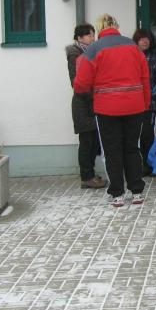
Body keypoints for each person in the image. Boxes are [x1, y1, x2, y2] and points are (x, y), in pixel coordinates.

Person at [74, 14, 150, 207]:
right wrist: (145, 103)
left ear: (100, 28)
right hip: (134, 105)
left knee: (112, 150)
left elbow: (81, 83)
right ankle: (137, 191)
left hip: (107, 107)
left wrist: (88, 95)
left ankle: (117, 194)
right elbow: (145, 77)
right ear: (116, 26)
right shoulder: (133, 47)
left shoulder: (94, 49)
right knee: (132, 148)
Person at [65, 24, 105, 189]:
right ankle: (86, 177)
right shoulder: (75, 54)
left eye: (93, 35)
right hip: (83, 104)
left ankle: (90, 174)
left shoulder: (89, 52)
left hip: (91, 102)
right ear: (80, 37)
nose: (93, 38)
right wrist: (92, 95)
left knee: (93, 141)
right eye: (89, 35)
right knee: (87, 141)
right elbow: (77, 81)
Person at [132, 28, 156, 177]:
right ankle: (143, 165)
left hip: (153, 104)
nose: (145, 41)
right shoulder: (132, 56)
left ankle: (153, 165)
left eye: (147, 38)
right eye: (141, 39)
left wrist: (155, 90)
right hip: (135, 104)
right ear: (136, 41)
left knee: (152, 134)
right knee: (139, 135)